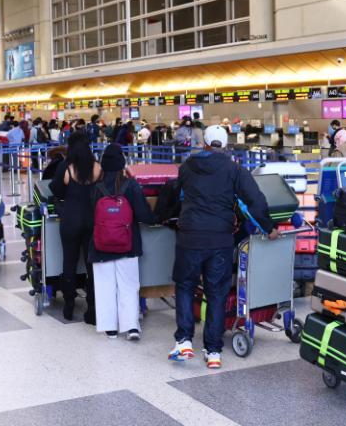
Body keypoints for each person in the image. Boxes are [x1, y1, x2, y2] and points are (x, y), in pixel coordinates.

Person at [168, 125, 277, 369]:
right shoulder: (235, 170)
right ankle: (213, 351)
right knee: (215, 292)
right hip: (220, 240)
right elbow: (256, 201)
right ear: (225, 144)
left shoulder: (187, 167)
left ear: (204, 142)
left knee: (185, 286)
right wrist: (269, 228)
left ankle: (184, 341)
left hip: (190, 237)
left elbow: (175, 194)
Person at [90, 144, 156, 340]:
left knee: (105, 286)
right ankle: (131, 327)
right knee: (128, 285)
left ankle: (110, 328)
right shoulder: (131, 185)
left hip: (100, 246)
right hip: (128, 245)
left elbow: (89, 217)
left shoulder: (96, 188)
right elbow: (144, 214)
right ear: (122, 164)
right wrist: (159, 217)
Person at [50, 139, 101, 324]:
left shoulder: (66, 167)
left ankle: (69, 306)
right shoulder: (97, 166)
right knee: (92, 265)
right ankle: (93, 308)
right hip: (93, 219)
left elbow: (56, 190)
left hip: (70, 218)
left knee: (69, 263)